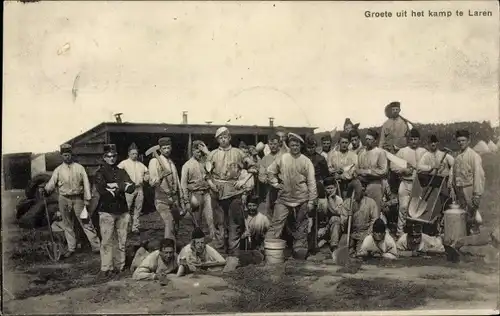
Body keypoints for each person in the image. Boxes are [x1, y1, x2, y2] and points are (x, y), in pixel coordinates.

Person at [199, 127, 257, 269]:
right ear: (217, 139)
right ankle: (220, 254)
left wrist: (243, 181)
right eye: (220, 138)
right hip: (217, 192)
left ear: (229, 138)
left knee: (234, 224)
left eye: (225, 137)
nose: (223, 140)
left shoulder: (239, 153)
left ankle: (234, 255)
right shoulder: (212, 155)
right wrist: (211, 184)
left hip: (234, 192)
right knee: (219, 223)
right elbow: (206, 174)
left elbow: (254, 167)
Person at [41, 143, 100, 258]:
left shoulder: (79, 168)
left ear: (71, 155)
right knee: (67, 224)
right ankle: (71, 248)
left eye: (68, 154)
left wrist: (87, 199)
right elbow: (52, 183)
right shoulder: (58, 170)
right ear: (62, 156)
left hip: (78, 198)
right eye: (64, 155)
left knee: (86, 222)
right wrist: (45, 189)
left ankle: (96, 246)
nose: (66, 157)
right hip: (63, 198)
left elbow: (86, 184)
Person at [265, 133, 318, 260]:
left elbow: (311, 182)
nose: (295, 147)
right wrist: (276, 183)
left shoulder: (306, 161)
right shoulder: (283, 158)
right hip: (284, 198)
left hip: (302, 199)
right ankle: (270, 251)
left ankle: (299, 251)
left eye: (297, 145)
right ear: (289, 145)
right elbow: (270, 171)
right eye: (292, 145)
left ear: (301, 146)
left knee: (301, 226)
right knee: (276, 223)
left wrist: (311, 201)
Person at [94, 144, 136, 278]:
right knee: (106, 240)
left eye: (114, 156)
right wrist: (121, 187)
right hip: (106, 210)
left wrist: (115, 186)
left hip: (122, 210)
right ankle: (106, 267)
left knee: (121, 240)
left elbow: (132, 187)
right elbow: (103, 191)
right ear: (104, 157)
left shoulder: (121, 171)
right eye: (109, 156)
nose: (112, 158)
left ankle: (120, 265)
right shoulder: (100, 173)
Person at [390, 128, 428, 237]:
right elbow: (393, 166)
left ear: (419, 140)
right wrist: (403, 170)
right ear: (408, 140)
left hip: (419, 184)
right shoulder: (402, 151)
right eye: (411, 139)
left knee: (417, 209)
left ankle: (417, 233)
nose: (414, 141)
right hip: (405, 182)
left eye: (416, 139)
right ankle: (400, 232)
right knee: (403, 207)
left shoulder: (424, 152)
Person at [448, 129, 485, 235]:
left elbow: (479, 175)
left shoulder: (474, 156)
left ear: (468, 141)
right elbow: (453, 172)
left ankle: (476, 235)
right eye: (459, 141)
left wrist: (477, 194)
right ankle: (466, 236)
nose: (461, 143)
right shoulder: (458, 156)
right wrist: (452, 186)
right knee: (464, 213)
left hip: (469, 188)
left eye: (463, 140)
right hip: (459, 189)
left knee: (472, 212)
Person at [148, 137, 184, 241]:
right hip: (162, 198)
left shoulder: (171, 162)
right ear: (160, 149)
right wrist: (161, 176)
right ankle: (168, 247)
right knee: (169, 222)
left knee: (176, 224)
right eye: (164, 148)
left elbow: (177, 181)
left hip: (174, 199)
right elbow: (152, 183)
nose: (167, 150)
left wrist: (181, 199)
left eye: (168, 147)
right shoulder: (154, 161)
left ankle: (174, 245)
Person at [330, 180, 379, 256]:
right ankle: (336, 248)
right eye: (356, 191)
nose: (359, 192)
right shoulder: (348, 202)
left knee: (362, 253)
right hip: (351, 233)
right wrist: (350, 213)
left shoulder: (371, 202)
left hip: (364, 233)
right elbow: (343, 222)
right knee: (344, 252)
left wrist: (368, 233)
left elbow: (374, 220)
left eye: (362, 189)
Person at [181, 140, 216, 239]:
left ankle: (213, 238)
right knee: (197, 219)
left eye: (201, 152)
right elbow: (183, 184)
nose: (199, 154)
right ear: (192, 150)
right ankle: (197, 239)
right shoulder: (187, 165)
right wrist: (186, 201)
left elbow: (213, 164)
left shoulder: (206, 162)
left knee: (211, 217)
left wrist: (206, 152)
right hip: (195, 195)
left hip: (206, 193)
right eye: (197, 151)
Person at [118, 143, 150, 233]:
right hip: (128, 188)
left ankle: (135, 227)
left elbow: (147, 173)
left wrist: (147, 176)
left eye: (136, 154)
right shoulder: (123, 163)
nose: (134, 155)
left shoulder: (141, 165)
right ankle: (126, 227)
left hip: (139, 188)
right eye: (132, 154)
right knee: (127, 208)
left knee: (138, 208)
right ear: (128, 154)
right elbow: (117, 174)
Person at [357, 129, 388, 213]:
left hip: (375, 184)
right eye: (366, 139)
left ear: (375, 140)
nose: (367, 141)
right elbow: (358, 168)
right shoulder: (361, 153)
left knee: (375, 210)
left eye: (370, 140)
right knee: (363, 210)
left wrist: (369, 172)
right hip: (362, 185)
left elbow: (384, 171)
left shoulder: (380, 152)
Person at [327, 131, 358, 198]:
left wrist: (342, 176)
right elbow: (329, 168)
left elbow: (353, 170)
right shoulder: (332, 154)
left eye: (346, 143)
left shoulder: (353, 156)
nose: (344, 144)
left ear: (349, 143)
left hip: (348, 185)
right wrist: (335, 171)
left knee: (347, 203)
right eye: (342, 142)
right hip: (335, 184)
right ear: (339, 143)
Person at [258, 134, 282, 218]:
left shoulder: (285, 156)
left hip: (284, 189)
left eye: (275, 144)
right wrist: (267, 180)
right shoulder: (265, 159)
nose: (273, 146)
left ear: (279, 143)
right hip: (270, 189)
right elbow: (261, 175)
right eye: (271, 144)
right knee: (270, 212)